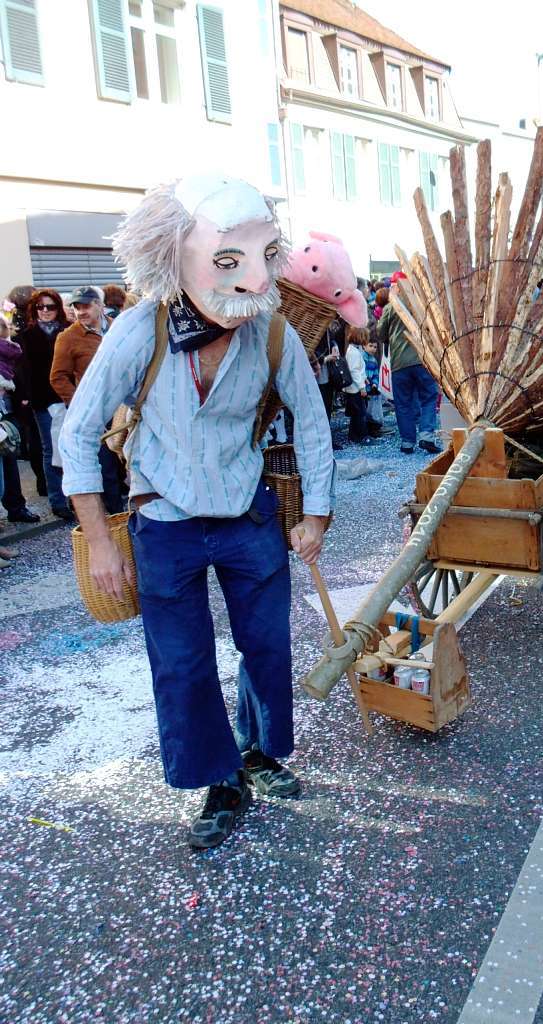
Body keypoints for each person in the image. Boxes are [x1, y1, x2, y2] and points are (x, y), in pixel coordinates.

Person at [59, 173, 334, 850]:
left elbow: (316, 423)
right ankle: (219, 780)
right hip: (164, 525)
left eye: (263, 257)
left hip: (247, 519)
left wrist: (317, 515)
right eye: (228, 261)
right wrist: (98, 540)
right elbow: (77, 432)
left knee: (266, 647)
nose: (251, 280)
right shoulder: (136, 330)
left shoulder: (273, 336)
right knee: (181, 663)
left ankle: (260, 752)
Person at [50, 285, 123, 514]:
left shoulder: (116, 328)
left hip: (123, 408)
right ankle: (116, 521)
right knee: (107, 469)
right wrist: (79, 406)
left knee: (128, 464)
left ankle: (132, 516)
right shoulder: (69, 337)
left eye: (86, 306)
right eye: (76, 306)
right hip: (96, 412)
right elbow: (57, 377)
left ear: (100, 306)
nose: (81, 311)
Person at [17, 289, 73, 520]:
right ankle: (58, 501)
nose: (46, 311)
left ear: (58, 308)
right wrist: (27, 397)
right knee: (51, 450)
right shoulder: (27, 336)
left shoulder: (68, 331)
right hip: (43, 401)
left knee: (73, 447)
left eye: (50, 306)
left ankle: (76, 497)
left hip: (69, 397)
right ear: (34, 309)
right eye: (41, 307)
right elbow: (23, 371)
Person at [377, 272, 440, 454]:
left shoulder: (390, 307)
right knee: (428, 397)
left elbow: (381, 334)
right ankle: (426, 435)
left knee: (403, 402)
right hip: (422, 360)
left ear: (395, 286)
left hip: (399, 364)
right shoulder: (419, 303)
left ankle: (407, 443)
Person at [0, 306, 41, 526]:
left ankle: (16, 507)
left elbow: (22, 375)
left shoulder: (12, 349)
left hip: (9, 411)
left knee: (10, 460)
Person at [342, 326, 374, 445]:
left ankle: (353, 436)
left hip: (354, 387)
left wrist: (364, 379)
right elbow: (355, 371)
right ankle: (362, 437)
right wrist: (362, 387)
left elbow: (358, 369)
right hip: (355, 389)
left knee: (356, 413)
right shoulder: (354, 352)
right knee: (360, 413)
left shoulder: (353, 350)